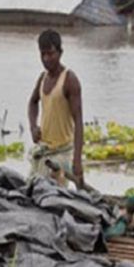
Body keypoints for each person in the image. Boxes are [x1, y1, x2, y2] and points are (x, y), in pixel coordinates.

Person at [27, 29, 84, 187]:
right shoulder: (42, 78)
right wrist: (33, 127)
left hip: (62, 152)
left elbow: (78, 121)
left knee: (52, 195)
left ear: (60, 53)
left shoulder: (69, 80)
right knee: (30, 191)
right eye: (43, 54)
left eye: (51, 54)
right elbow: (32, 103)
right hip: (44, 150)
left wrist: (77, 161)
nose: (46, 59)